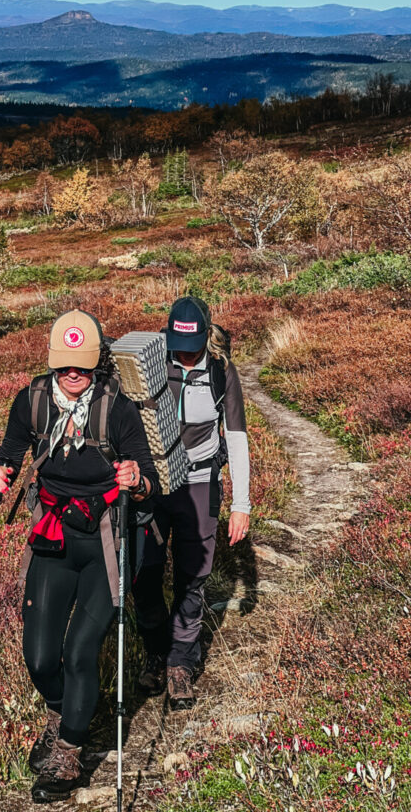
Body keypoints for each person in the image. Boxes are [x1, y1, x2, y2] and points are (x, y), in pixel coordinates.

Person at [0, 309, 159, 804]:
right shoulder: (34, 401)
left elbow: (148, 479)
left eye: (81, 364)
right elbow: (10, 452)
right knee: (39, 658)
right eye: (64, 364)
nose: (72, 373)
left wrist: (135, 480)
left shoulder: (117, 409)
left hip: (108, 540)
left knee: (81, 651)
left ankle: (69, 751)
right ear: (53, 362)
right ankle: (67, 711)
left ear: (96, 361)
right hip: (53, 536)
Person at [132, 296, 251, 710]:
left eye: (192, 345)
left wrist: (242, 503)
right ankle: (156, 650)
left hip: (200, 483)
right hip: (152, 486)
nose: (184, 354)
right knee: (143, 573)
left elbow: (235, 436)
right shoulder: (151, 365)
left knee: (192, 576)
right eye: (178, 346)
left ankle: (181, 663)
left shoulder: (221, 371)